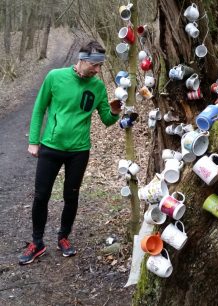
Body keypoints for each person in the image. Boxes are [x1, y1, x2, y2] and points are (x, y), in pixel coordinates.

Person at [19, 40, 122, 265]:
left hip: (79, 151)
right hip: (50, 147)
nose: (98, 70)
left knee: (71, 196)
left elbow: (106, 119)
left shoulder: (97, 87)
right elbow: (39, 109)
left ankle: (63, 237)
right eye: (95, 65)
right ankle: (37, 242)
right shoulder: (55, 77)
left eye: (100, 66)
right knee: (41, 196)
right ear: (83, 59)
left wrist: (116, 109)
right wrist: (34, 141)